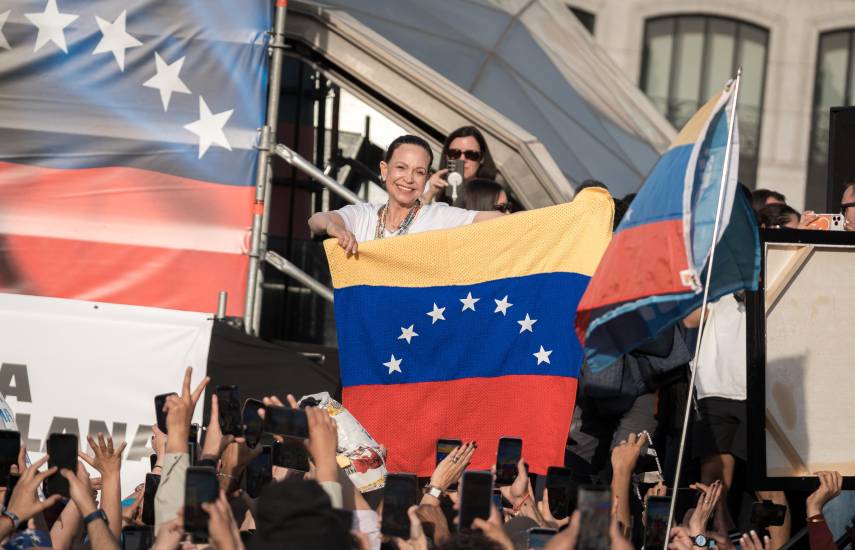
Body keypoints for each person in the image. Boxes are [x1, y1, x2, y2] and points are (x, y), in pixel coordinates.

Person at [308, 134, 503, 255]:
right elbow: (316, 221)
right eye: (401, 167)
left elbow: (489, 220)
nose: (408, 179)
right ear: (385, 170)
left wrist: (530, 220)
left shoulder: (438, 216)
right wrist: (335, 227)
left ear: (427, 177)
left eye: (419, 172)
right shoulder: (363, 215)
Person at [423, 126, 499, 204]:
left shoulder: (494, 196)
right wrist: (430, 194)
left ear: (482, 158)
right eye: (455, 153)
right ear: (447, 156)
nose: (462, 159)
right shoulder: (429, 188)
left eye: (471, 154)